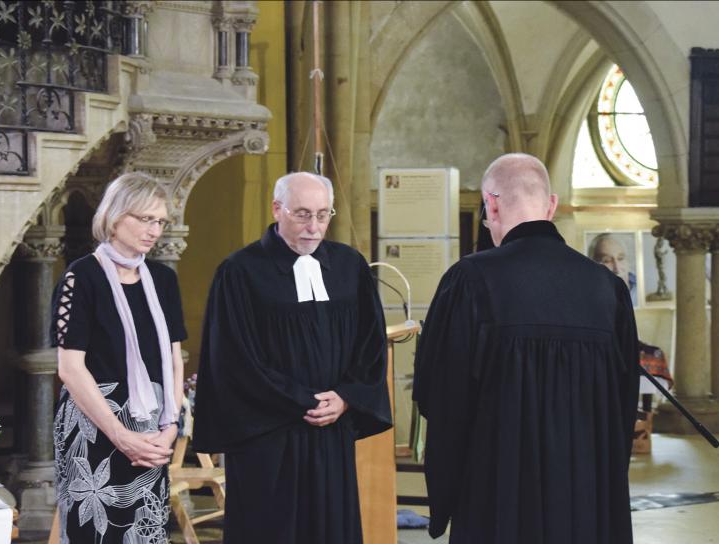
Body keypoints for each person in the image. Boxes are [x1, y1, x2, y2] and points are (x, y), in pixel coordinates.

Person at [413, 153, 639, 543]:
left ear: (492, 203)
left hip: (498, 496)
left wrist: (448, 493)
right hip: (586, 497)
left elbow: (440, 395)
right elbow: (623, 404)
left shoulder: (469, 280)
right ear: (550, 205)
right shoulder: (608, 288)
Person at [192, 172, 392, 544]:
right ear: (276, 209)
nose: (313, 228)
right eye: (302, 214)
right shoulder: (239, 272)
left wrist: (346, 396)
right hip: (267, 436)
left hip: (331, 431)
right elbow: (234, 360)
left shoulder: (350, 267)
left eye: (322, 214)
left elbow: (371, 344)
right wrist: (302, 401)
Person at [51, 172, 187, 543]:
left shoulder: (162, 279)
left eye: (160, 221)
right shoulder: (81, 277)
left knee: (146, 531)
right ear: (115, 217)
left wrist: (171, 426)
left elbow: (175, 360)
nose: (154, 230)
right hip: (94, 426)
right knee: (93, 532)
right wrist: (119, 433)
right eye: (145, 219)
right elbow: (70, 367)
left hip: (152, 425)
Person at [588, 232, 638, 306]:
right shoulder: (588, 297)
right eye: (607, 260)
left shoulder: (642, 292)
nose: (617, 268)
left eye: (620, 258)